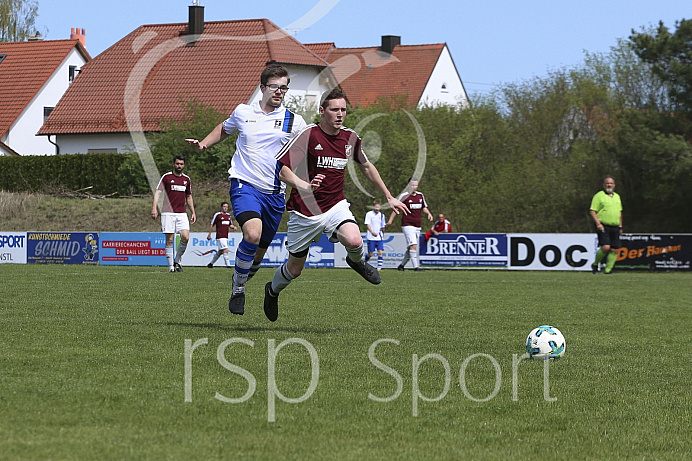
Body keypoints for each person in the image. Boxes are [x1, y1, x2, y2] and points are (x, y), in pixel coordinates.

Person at [262, 88, 408, 322]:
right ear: (322, 111)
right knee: (294, 270)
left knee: (354, 240)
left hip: (335, 206)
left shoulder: (350, 138)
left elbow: (367, 167)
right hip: (305, 212)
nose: (340, 114)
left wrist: (389, 196)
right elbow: (282, 171)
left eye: (343, 110)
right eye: (334, 109)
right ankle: (272, 290)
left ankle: (355, 260)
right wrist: (305, 185)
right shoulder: (308, 135)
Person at [185, 63, 308, 316]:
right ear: (262, 87)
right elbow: (224, 128)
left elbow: (310, 147)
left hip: (274, 195)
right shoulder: (243, 112)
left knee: (258, 256)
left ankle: (240, 279)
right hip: (244, 185)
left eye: (284, 88)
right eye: (274, 87)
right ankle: (238, 289)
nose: (279, 92)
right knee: (251, 234)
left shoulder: (294, 121)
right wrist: (204, 144)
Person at [151, 154, 197, 272]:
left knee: (185, 237)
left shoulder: (186, 180)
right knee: (170, 239)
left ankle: (177, 260)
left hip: (182, 213)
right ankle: (171, 267)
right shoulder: (166, 177)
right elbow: (158, 192)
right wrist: (154, 208)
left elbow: (189, 196)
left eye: (181, 164)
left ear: (184, 165)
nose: (179, 166)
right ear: (173, 164)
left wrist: (193, 211)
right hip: (168, 213)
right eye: (177, 164)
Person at [387, 178, 433, 271]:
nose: (414, 187)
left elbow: (424, 207)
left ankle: (401, 266)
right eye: (412, 185)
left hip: (417, 225)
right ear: (408, 185)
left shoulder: (420, 195)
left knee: (411, 247)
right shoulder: (404, 196)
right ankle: (416, 267)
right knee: (413, 245)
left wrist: (428, 213)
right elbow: (396, 209)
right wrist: (390, 221)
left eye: (416, 185)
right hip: (407, 224)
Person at [589, 175, 623, 274]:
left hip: (615, 226)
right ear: (604, 185)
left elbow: (620, 212)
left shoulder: (617, 196)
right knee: (605, 247)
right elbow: (592, 211)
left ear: (614, 185)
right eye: (607, 183)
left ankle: (608, 270)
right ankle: (595, 264)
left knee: (615, 249)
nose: (609, 185)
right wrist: (598, 224)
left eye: (611, 183)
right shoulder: (599, 195)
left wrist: (620, 225)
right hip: (603, 225)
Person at [206, 201, 237, 268]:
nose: (225, 208)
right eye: (224, 207)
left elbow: (230, 224)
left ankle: (210, 264)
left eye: (227, 207)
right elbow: (212, 225)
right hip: (220, 236)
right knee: (225, 249)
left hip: (226, 236)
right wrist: (209, 234)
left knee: (220, 251)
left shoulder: (228, 216)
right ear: (221, 207)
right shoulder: (218, 215)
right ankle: (228, 265)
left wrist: (233, 227)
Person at [364, 200, 386, 271]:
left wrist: (383, 233)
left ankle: (379, 267)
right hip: (371, 237)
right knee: (371, 253)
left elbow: (383, 226)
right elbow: (367, 224)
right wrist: (372, 232)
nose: (377, 209)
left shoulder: (382, 215)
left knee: (380, 252)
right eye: (376, 207)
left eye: (378, 207)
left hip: (379, 237)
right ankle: (364, 262)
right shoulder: (369, 214)